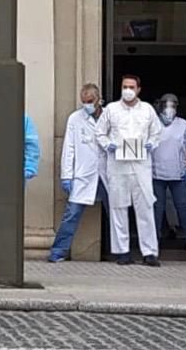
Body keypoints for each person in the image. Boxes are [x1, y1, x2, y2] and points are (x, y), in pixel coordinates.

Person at [95, 75, 162, 267]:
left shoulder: (147, 110)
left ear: (139, 89)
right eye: (124, 86)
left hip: (141, 165)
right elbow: (100, 132)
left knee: (145, 208)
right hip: (117, 165)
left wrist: (151, 144)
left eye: (131, 87)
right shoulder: (111, 110)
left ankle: (149, 252)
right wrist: (108, 146)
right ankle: (122, 251)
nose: (128, 90)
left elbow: (156, 132)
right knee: (118, 207)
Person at [49, 84, 108, 262]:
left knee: (117, 213)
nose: (87, 105)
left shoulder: (110, 116)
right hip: (84, 175)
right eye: (84, 102)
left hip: (108, 173)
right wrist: (67, 176)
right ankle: (58, 251)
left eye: (90, 101)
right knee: (72, 214)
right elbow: (69, 148)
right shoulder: (75, 118)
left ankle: (122, 251)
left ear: (99, 99)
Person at [152, 93, 186, 252]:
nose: (169, 109)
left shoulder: (183, 124)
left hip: (178, 173)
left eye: (173, 106)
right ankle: (154, 239)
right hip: (156, 173)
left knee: (183, 206)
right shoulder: (153, 123)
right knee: (157, 208)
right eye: (167, 105)